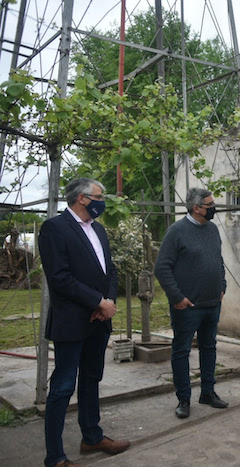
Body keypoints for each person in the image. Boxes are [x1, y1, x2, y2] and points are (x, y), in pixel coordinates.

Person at [39, 178, 131, 466]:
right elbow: (60, 277)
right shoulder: (54, 228)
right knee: (63, 387)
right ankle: (55, 457)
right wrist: (97, 302)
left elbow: (110, 271)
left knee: (91, 379)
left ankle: (92, 437)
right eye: (99, 196)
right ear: (82, 198)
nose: (103, 201)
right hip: (72, 320)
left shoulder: (98, 229)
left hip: (98, 320)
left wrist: (108, 303)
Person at [154, 187, 228, 419]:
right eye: (210, 205)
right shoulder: (177, 231)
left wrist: (222, 286)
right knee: (182, 351)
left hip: (212, 303)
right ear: (196, 208)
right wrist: (177, 298)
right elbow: (161, 268)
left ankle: (208, 392)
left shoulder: (213, 230)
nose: (213, 208)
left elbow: (218, 259)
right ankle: (183, 398)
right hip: (187, 307)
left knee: (209, 348)